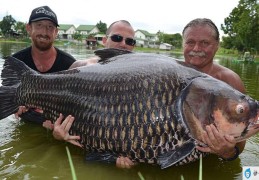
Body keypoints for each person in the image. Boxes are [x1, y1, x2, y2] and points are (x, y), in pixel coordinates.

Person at [182, 18, 246, 161]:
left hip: (210, 160)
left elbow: (241, 142)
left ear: (217, 45)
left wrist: (227, 152)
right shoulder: (169, 76)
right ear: (183, 44)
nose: (196, 49)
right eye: (190, 42)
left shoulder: (230, 81)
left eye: (205, 43)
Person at [13, 5, 76, 128]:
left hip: (56, 126)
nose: (44, 32)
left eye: (50, 27)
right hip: (26, 122)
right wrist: (15, 106)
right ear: (29, 28)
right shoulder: (17, 61)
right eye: (39, 25)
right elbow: (8, 93)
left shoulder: (70, 64)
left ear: (56, 32)